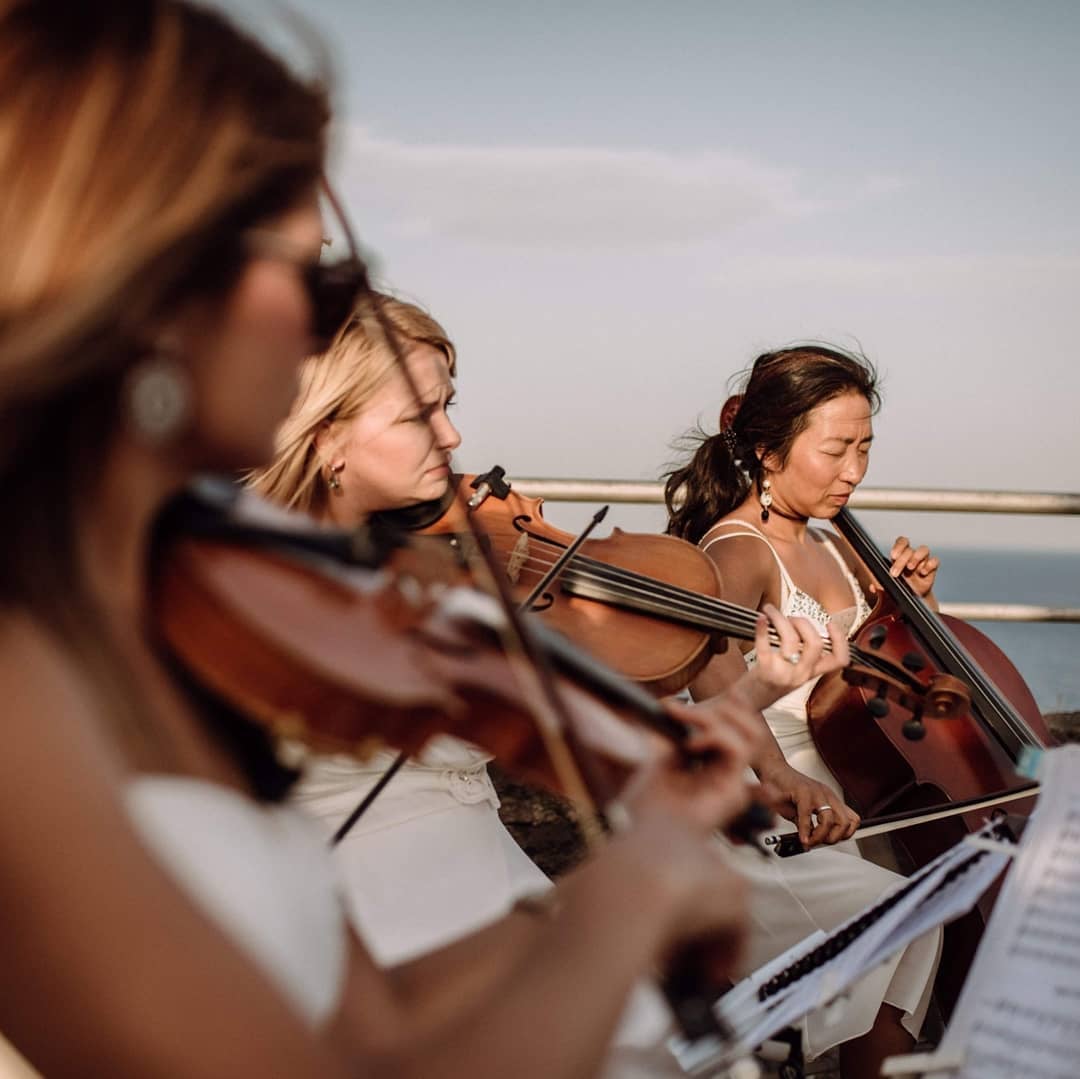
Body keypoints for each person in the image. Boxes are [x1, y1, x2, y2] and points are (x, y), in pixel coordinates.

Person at [0, 4, 768, 1076]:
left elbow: (367, 1022)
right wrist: (633, 897)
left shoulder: (162, 598)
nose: (332, 328)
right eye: (313, 278)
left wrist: (609, 890)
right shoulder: (24, 667)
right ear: (153, 289)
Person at [247, 296, 852, 1073]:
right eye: (418, 415)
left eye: (449, 405)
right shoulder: (276, 580)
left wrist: (760, 687)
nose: (453, 435)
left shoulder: (426, 564)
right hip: (379, 901)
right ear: (327, 436)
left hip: (481, 867)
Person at [665, 344, 944, 1078]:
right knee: (899, 917)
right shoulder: (739, 547)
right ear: (768, 450)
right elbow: (708, 667)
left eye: (865, 448)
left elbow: (870, 682)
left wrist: (909, 612)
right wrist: (783, 776)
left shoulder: (833, 543)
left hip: (851, 788)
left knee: (924, 912)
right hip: (769, 798)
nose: (854, 470)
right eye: (836, 449)